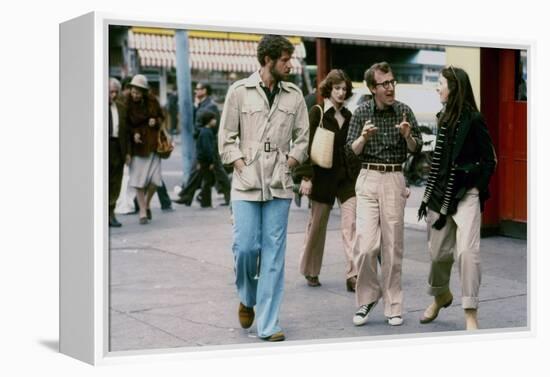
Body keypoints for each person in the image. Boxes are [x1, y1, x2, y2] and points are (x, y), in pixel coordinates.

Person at [218, 34, 309, 342]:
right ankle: (247, 297)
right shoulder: (239, 92)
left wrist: (291, 162)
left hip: (280, 184)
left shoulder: (294, 95)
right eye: (285, 59)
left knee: (274, 255)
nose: (290, 64)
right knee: (245, 248)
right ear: (268, 60)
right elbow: (226, 138)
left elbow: (304, 138)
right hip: (245, 182)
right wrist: (240, 164)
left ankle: (268, 324)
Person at [417, 66, 496, 330]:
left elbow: (489, 160)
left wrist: (477, 187)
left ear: (454, 87)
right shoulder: (443, 117)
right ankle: (441, 296)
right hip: (440, 195)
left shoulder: (474, 119)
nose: (437, 88)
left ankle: (470, 312)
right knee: (438, 254)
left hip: (467, 193)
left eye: (440, 83)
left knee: (467, 252)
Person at [346, 62, 422, 327]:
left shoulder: (404, 111)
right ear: (372, 88)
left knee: (393, 247)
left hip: (393, 177)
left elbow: (416, 148)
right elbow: (351, 151)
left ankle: (394, 305)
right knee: (366, 246)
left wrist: (408, 135)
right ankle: (368, 297)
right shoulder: (361, 113)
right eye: (384, 84)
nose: (390, 88)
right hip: (367, 177)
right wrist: (363, 138)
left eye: (392, 82)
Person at [295, 69, 360, 291]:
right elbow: (304, 144)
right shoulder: (318, 112)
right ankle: (311, 270)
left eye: (344, 89)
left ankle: (354, 274)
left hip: (346, 178)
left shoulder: (350, 117)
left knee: (351, 225)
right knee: (317, 226)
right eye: (337, 88)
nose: (341, 93)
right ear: (329, 89)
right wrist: (306, 176)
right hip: (321, 177)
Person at [174, 82, 231, 206]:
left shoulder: (211, 106)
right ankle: (202, 198)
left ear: (205, 91)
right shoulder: (201, 105)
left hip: (208, 142)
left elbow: (212, 125)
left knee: (212, 171)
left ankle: (187, 195)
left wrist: (201, 132)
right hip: (204, 141)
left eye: (198, 89)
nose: (196, 91)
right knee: (206, 172)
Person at [125, 74, 165, 225]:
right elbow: (125, 125)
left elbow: (162, 117)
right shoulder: (127, 103)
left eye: (138, 92)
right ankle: (142, 210)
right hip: (137, 147)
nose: (134, 94)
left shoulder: (152, 101)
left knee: (156, 181)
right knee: (138, 180)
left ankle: (147, 204)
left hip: (153, 145)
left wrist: (156, 120)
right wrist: (133, 133)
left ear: (143, 91)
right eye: (133, 91)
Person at [179, 111, 218, 208]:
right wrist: (211, 161)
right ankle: (205, 202)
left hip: (203, 161)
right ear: (209, 121)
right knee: (207, 182)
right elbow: (207, 149)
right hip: (206, 161)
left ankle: (192, 198)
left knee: (205, 181)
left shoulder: (204, 132)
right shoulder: (206, 133)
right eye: (213, 119)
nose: (215, 121)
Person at [108, 77, 129, 227]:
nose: (113, 95)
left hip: (118, 149)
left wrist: (128, 152)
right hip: (104, 147)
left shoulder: (121, 108)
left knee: (116, 183)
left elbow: (126, 132)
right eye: (110, 92)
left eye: (116, 92)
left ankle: (111, 213)